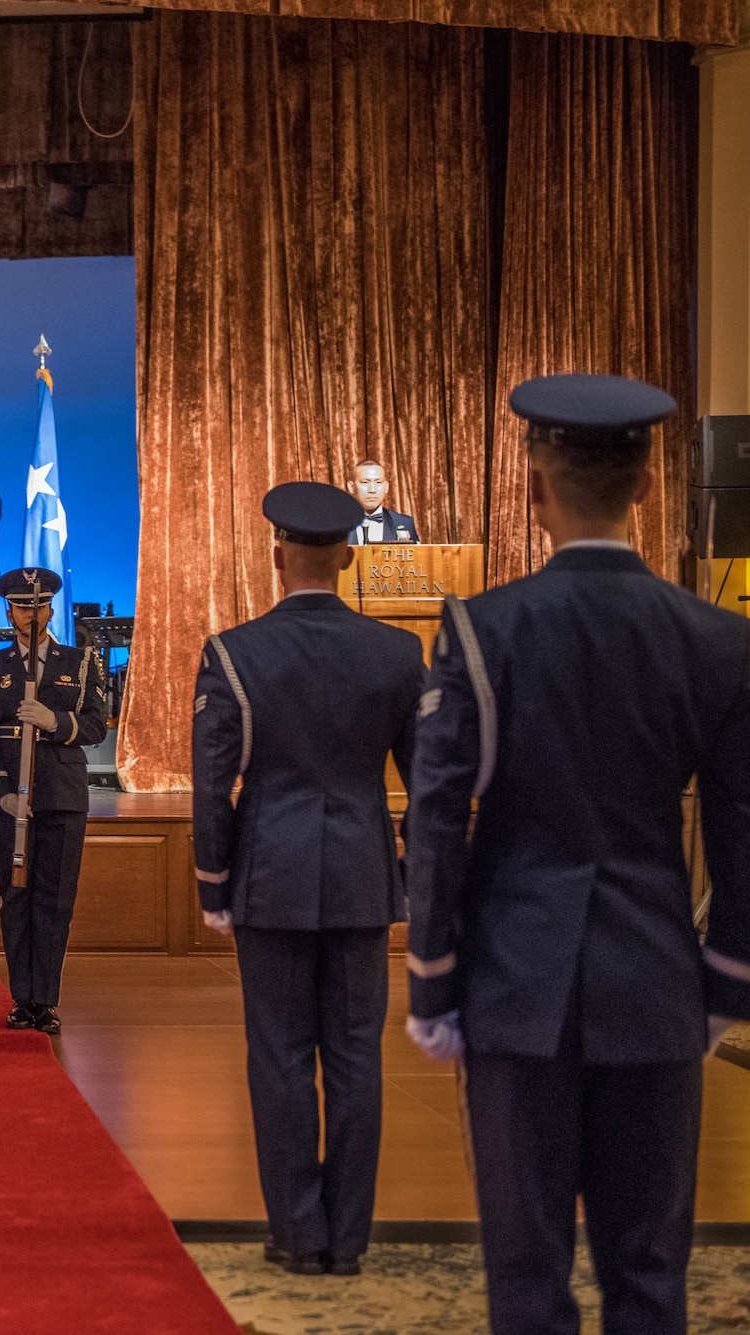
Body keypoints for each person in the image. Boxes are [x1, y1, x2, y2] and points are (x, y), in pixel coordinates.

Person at [403, 374, 750, 1335]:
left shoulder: (482, 630)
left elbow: (436, 817)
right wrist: (726, 982)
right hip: (658, 983)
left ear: (532, 486)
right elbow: (743, 827)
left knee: (527, 1273)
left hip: (515, 992)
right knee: (648, 1271)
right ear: (647, 488)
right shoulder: (721, 639)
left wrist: (432, 980)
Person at [190, 481, 424, 1279]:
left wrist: (212, 883)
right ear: (350, 556)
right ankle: (348, 1238)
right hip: (363, 875)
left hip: (271, 877)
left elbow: (211, 785)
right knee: (357, 1057)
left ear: (277, 551)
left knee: (282, 1056)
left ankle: (298, 1231)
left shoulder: (234, 652)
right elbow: (431, 784)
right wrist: (413, 876)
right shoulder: (398, 653)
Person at [0, 567, 111, 1035]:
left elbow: (93, 726)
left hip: (61, 796)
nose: (31, 614)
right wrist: (0, 789)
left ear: (50, 609)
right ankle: (20, 998)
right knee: (16, 898)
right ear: (9, 611)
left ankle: (45, 1001)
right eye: (21, 605)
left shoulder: (80, 662)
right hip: (11, 799)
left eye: (39, 605)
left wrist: (55, 720)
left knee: (54, 901)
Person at [347, 460, 419, 544]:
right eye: (365, 482)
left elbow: (417, 555)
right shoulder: (337, 524)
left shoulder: (404, 522)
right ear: (351, 487)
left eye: (378, 482)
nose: (372, 490)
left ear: (386, 487)